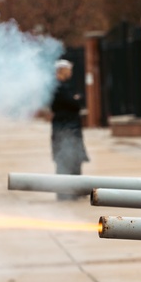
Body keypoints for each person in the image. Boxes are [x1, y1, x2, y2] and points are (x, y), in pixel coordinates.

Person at [39, 59, 89, 200]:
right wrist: (75, 99)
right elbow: (73, 102)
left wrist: (76, 99)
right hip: (64, 128)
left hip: (70, 127)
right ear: (61, 71)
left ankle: (75, 190)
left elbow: (77, 101)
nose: (71, 73)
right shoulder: (58, 87)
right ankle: (65, 192)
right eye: (68, 70)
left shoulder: (65, 86)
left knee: (75, 159)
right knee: (64, 160)